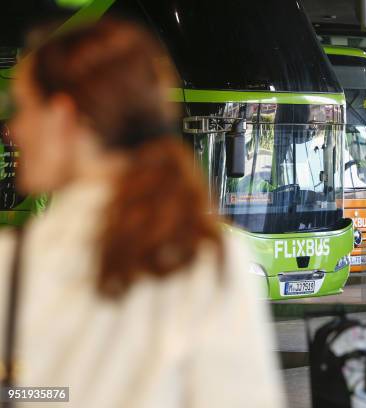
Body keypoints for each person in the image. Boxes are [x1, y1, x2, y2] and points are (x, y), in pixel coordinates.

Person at [6, 20, 284, 408]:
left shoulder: (15, 262)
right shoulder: (208, 257)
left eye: (23, 108)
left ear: (64, 115)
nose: (14, 130)